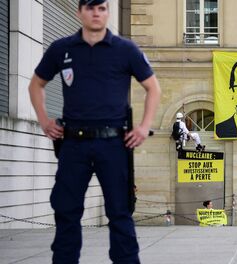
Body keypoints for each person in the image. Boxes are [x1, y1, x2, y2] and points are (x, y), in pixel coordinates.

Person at [28, 0, 161, 262]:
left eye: (101, 9)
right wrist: (44, 121)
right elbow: (36, 85)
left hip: (113, 144)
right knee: (66, 211)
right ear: (80, 12)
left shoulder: (125, 49)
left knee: (120, 213)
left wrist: (144, 127)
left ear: (107, 13)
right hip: (73, 145)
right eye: (90, 8)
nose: (96, 14)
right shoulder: (62, 48)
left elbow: (153, 88)